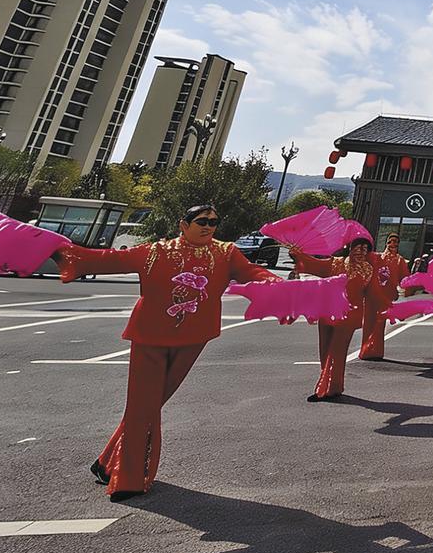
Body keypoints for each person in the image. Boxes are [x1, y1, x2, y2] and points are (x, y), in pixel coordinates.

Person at [58, 205, 278, 501]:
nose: (209, 226)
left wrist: (284, 287)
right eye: (202, 221)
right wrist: (57, 249)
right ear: (183, 225)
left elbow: (253, 273)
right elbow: (109, 259)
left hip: (194, 337)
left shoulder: (225, 253)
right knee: (142, 406)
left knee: (149, 404)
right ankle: (128, 480)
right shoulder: (156, 251)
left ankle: (108, 463)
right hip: (149, 336)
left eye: (214, 222)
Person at [291, 235, 376, 401]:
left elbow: (374, 295)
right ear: (350, 249)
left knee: (336, 351)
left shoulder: (368, 270)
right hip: (328, 310)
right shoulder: (336, 263)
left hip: (349, 315)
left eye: (364, 249)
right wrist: (297, 255)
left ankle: (325, 389)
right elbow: (314, 265)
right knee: (325, 348)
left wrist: (390, 307)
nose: (360, 252)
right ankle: (335, 385)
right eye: (357, 248)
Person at [358, 234, 409, 361]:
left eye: (395, 242)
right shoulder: (377, 257)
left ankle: (375, 350)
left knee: (379, 324)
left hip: (386, 296)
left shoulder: (399, 260)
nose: (392, 244)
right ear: (386, 243)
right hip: (371, 294)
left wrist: (406, 288)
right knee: (368, 322)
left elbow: (404, 278)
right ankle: (365, 350)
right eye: (390, 241)